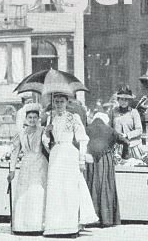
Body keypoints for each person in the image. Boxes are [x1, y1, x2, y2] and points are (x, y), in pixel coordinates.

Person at [42, 91, 98, 236]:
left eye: (61, 101)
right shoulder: (50, 118)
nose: (59, 104)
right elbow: (45, 142)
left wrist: (81, 159)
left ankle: (71, 226)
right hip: (56, 154)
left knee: (69, 189)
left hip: (68, 154)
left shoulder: (73, 118)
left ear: (67, 103)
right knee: (56, 189)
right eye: (56, 102)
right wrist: (47, 134)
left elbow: (83, 139)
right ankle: (55, 226)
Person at [7, 102, 47, 234]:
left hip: (39, 163)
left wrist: (49, 132)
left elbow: (48, 146)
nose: (32, 120)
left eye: (35, 118)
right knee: (24, 193)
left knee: (37, 191)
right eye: (30, 118)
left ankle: (37, 224)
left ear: (38, 119)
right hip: (26, 164)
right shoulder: (21, 133)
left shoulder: (43, 130)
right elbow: (15, 152)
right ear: (26, 119)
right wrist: (12, 170)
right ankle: (22, 225)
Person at [85, 112, 128, 227]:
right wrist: (124, 157)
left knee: (91, 185)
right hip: (105, 161)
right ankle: (107, 218)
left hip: (90, 161)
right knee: (105, 186)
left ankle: (92, 218)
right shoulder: (110, 130)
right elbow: (125, 142)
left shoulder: (87, 129)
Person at [111, 86, 145, 159]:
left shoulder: (134, 112)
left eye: (126, 100)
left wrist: (127, 135)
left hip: (132, 146)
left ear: (129, 101)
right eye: (121, 99)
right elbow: (109, 128)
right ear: (118, 100)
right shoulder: (113, 112)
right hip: (118, 147)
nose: (124, 102)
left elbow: (139, 130)